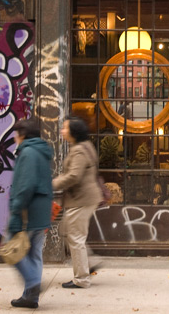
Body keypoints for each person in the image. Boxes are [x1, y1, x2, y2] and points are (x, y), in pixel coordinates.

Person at [7, 117, 54, 309]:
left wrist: (17, 208)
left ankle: (33, 283)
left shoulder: (27, 153)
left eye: (16, 135)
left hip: (29, 212)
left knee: (12, 249)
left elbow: (25, 186)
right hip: (41, 211)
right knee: (34, 253)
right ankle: (30, 297)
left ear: (23, 135)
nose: (15, 139)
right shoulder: (41, 151)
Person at [53, 116, 102, 289]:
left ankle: (81, 278)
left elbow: (74, 175)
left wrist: (53, 183)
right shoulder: (84, 146)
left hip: (81, 199)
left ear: (74, 132)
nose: (62, 131)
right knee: (67, 230)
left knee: (75, 238)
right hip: (82, 199)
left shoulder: (79, 150)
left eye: (65, 128)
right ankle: (90, 262)